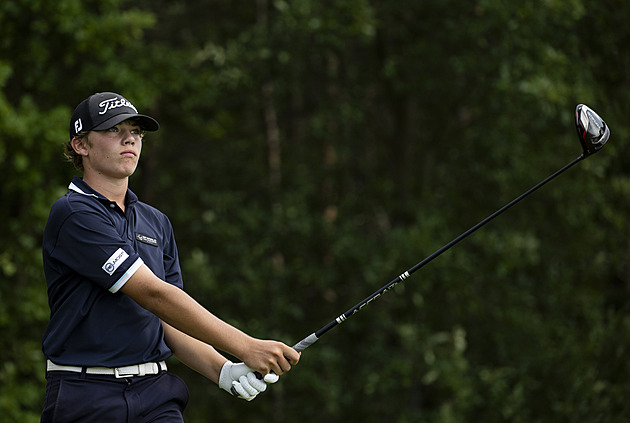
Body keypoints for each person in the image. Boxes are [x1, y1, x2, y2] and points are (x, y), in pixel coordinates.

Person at [40, 92, 300, 422]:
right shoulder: (73, 214)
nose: (129, 140)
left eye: (135, 132)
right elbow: (153, 294)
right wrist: (246, 345)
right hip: (86, 393)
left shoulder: (155, 222)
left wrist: (223, 370)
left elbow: (168, 317)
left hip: (155, 395)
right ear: (81, 145)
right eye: (113, 130)